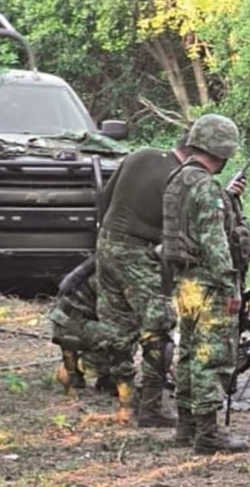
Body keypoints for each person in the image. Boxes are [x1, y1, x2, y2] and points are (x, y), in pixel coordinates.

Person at [162, 113, 249, 455]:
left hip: (185, 281)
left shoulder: (178, 180)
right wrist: (230, 286)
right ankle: (209, 434)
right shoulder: (205, 187)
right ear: (222, 150)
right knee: (210, 355)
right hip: (209, 282)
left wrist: (227, 197)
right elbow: (214, 242)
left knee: (187, 352)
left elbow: (190, 224)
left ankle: (186, 427)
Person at [94, 137, 189, 426]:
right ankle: (151, 408)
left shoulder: (140, 155)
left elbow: (104, 198)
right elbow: (182, 230)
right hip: (139, 252)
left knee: (116, 324)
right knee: (159, 327)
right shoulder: (182, 178)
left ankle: (120, 388)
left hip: (107, 244)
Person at [48, 271, 117, 397]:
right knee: (123, 335)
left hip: (67, 323)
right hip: (73, 325)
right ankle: (83, 368)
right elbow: (114, 316)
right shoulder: (110, 276)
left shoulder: (102, 267)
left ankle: (76, 374)